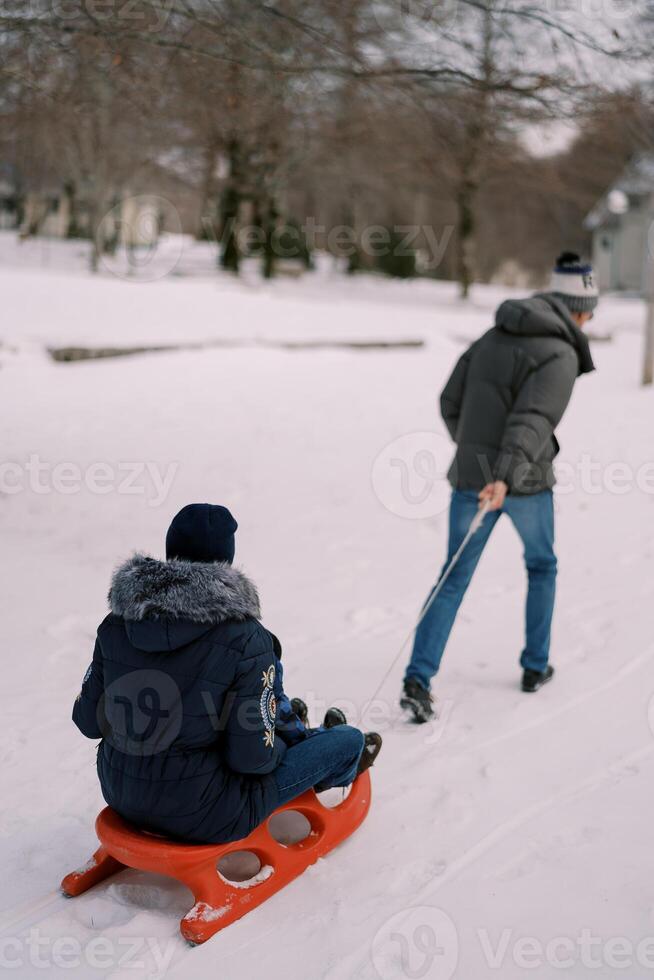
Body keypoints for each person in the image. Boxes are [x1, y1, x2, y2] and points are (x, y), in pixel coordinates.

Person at [72, 504, 381, 843]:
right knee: (347, 740)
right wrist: (278, 743)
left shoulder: (116, 625)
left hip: (120, 792)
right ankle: (334, 758)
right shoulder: (246, 638)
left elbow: (87, 721)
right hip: (204, 813)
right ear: (227, 560)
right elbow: (253, 759)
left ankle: (297, 732)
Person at [401, 252, 598, 723]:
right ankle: (535, 666)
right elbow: (532, 421)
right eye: (591, 310)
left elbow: (451, 401)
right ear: (577, 308)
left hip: (473, 479)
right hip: (523, 484)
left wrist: (474, 453)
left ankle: (418, 678)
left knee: (452, 577)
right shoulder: (560, 353)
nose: (591, 320)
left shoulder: (493, 335)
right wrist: (505, 476)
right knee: (542, 565)